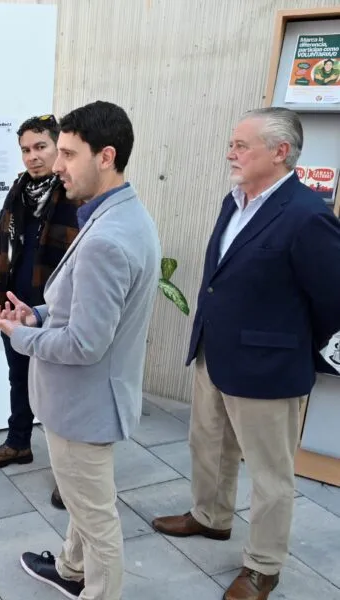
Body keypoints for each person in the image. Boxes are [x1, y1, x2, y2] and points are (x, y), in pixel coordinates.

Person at [151, 107, 340, 600]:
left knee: (270, 475)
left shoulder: (307, 215)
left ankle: (263, 566)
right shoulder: (233, 201)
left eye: (241, 145)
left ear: (280, 152)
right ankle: (210, 516)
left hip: (270, 366)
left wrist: (289, 347)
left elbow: (332, 299)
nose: (230, 153)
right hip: (214, 351)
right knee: (209, 444)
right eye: (231, 144)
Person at [0, 101, 160, 600]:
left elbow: (85, 344)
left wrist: (20, 335)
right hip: (90, 400)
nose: (56, 165)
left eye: (67, 153)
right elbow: (85, 309)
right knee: (85, 504)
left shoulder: (107, 237)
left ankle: (97, 590)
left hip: (85, 405)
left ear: (105, 156)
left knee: (96, 515)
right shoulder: (121, 214)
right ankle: (71, 568)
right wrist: (38, 314)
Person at [0, 114, 83, 513]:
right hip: (15, 297)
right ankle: (19, 442)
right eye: (25, 149)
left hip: (55, 302)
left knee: (59, 386)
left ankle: (70, 475)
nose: (32, 156)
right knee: (17, 373)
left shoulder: (72, 193)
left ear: (58, 148)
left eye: (41, 147)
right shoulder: (21, 188)